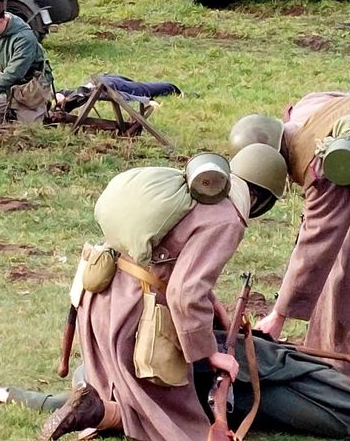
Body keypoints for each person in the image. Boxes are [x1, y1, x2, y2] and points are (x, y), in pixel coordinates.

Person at [39, 143, 288, 441]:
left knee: (128, 396)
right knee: (178, 421)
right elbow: (186, 293)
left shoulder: (187, 191)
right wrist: (210, 353)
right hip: (136, 317)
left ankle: (95, 408)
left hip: (100, 298)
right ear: (262, 198)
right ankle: (93, 411)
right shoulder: (227, 219)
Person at [229, 106, 350, 401]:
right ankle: (340, 380)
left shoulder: (324, 165)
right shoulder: (313, 113)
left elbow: (319, 239)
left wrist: (279, 315)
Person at [0, 337, 350, 441]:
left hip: (220, 385)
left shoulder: (94, 371)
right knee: (347, 410)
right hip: (250, 379)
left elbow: (51, 400)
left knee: (346, 412)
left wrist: (4, 393)